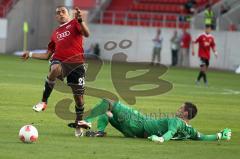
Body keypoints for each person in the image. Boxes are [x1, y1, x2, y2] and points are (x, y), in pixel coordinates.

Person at [21, 6, 91, 136]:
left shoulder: (75, 23)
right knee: (54, 68)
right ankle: (43, 101)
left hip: (77, 65)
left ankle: (79, 121)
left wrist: (81, 21)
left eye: (63, 11)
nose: (60, 14)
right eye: (58, 13)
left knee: (79, 99)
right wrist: (30, 54)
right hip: (60, 61)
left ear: (68, 14)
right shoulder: (55, 34)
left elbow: (87, 34)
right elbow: (47, 55)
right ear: (56, 17)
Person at [68, 99, 231, 143]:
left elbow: (170, 133)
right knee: (107, 112)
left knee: (109, 102)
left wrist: (161, 139)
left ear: (185, 113)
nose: (178, 109)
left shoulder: (176, 121)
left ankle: (86, 121)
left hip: (139, 122)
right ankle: (100, 131)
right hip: (133, 132)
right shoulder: (189, 129)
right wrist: (220, 135)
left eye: (181, 108)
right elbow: (202, 137)